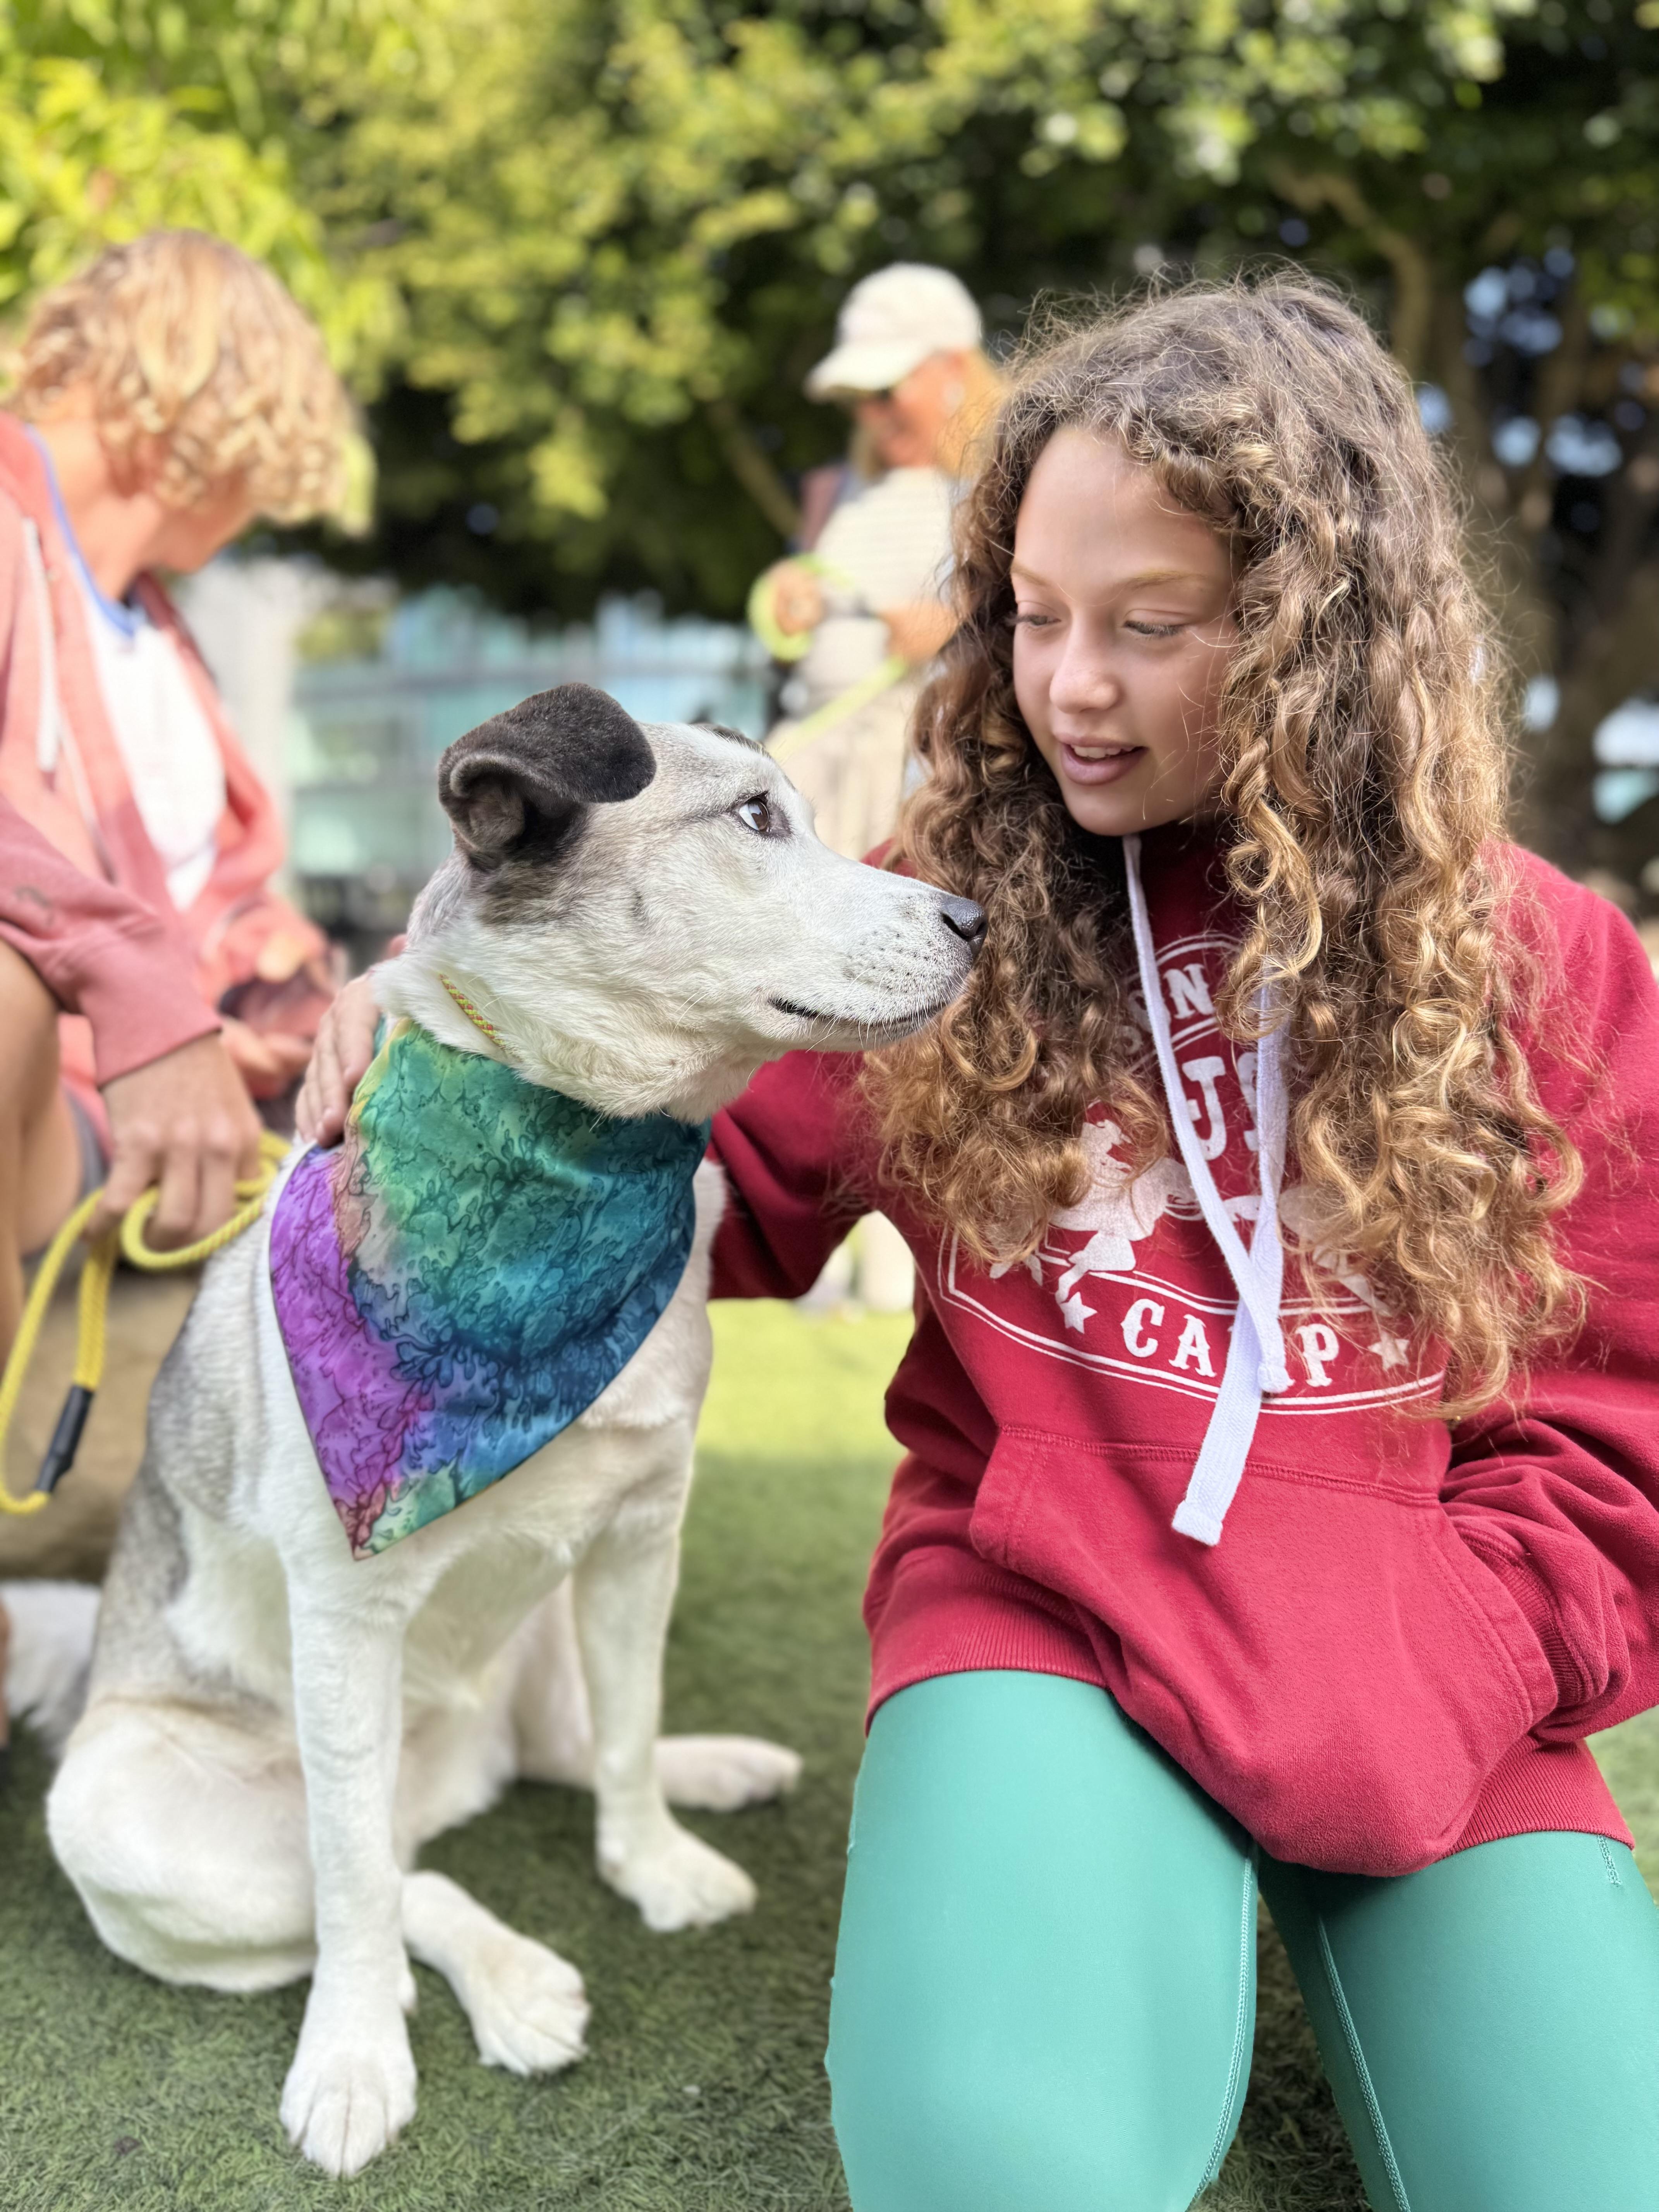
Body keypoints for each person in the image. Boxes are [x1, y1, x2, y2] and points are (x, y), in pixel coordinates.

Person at [299, 278, 1659, 2210]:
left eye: (1149, 626)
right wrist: (457, 1054)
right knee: (1000, 2168)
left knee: (1598, 2178)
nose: (1068, 684)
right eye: (1032, 613)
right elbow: (697, 1203)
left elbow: (1625, 1431)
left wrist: (1451, 1658)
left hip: (1416, 1649)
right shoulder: (945, 912)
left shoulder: (1551, 961)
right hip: (1044, 1611)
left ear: (1318, 637)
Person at [0, 228, 355, 1363]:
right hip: (55, 1078)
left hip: (142, 1111)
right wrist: (143, 987)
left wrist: (291, 991)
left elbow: (217, 905)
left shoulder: (157, 635)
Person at [749, 263, 1000, 864]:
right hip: (818, 764)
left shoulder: (1006, 481)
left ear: (955, 369)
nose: (870, 414)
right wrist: (787, 599)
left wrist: (959, 625)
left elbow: (1044, 613)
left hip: (931, 777)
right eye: (858, 397)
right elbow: (791, 630)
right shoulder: (835, 490)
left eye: (885, 390)